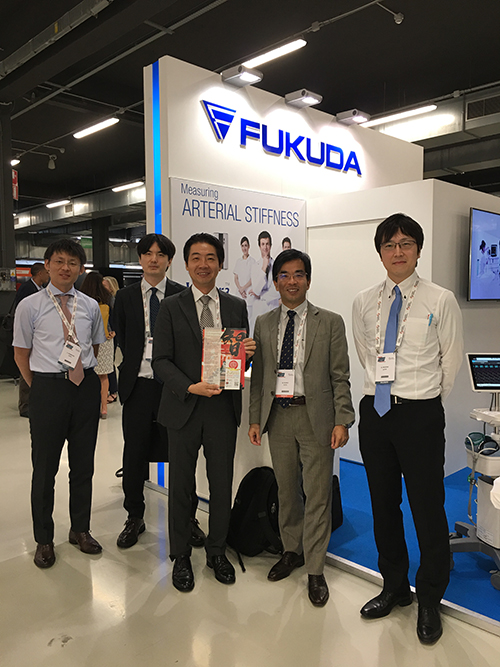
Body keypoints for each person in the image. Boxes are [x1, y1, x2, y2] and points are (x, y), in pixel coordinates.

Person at [352, 213, 463, 644]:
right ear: (379, 252)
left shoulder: (441, 299)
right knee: (383, 503)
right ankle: (394, 586)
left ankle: (430, 597)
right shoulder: (364, 301)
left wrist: (423, 400)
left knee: (427, 506)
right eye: (389, 245)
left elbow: (450, 362)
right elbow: (366, 354)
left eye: (405, 244)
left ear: (418, 250)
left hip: (419, 414)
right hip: (376, 413)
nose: (397, 252)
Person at [249, 248, 354, 607]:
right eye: (284, 275)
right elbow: (260, 377)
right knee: (286, 490)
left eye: (298, 274)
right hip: (278, 416)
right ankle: (291, 550)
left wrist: (342, 420)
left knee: (318, 494)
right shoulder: (264, 323)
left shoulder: (330, 322)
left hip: (316, 417)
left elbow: (340, 376)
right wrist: (255, 418)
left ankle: (315, 568)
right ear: (275, 281)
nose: (291, 281)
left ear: (308, 280)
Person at [152, 232, 255, 592]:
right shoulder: (171, 306)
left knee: (221, 483)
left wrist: (247, 355)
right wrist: (189, 386)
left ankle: (216, 551)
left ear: (220, 264)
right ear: (185, 264)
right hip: (183, 407)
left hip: (222, 409)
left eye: (210, 257)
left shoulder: (236, 306)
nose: (203, 264)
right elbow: (160, 361)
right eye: (196, 257)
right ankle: (180, 554)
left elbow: (236, 364)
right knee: (181, 486)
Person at [13, 239, 105, 569]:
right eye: (59, 261)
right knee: (45, 468)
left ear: (81, 269)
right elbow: (21, 353)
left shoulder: (90, 306)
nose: (66, 267)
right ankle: (44, 539)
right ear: (48, 265)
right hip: (48, 389)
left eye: (73, 262)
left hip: (84, 388)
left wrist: (92, 382)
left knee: (83, 465)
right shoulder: (30, 306)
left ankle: (80, 529)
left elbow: (97, 347)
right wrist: (41, 386)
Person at [113, 233, 206, 550]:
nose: (154, 259)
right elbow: (123, 338)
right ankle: (134, 516)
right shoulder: (125, 297)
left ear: (169, 260)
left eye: (160, 254)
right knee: (134, 454)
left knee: (181, 455)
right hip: (138, 386)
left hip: (173, 387)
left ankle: (188, 518)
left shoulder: (182, 295)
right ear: (140, 259)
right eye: (148, 253)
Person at [13, 263, 49, 417]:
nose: (48, 276)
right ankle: (25, 405)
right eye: (46, 272)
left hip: (39, 340)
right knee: (25, 368)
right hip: (28, 336)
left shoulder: (41, 289)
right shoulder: (27, 290)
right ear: (40, 273)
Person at [79, 272, 115, 419]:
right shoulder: (108, 297)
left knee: (87, 374)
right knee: (103, 376)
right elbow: (115, 316)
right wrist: (113, 330)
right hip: (106, 339)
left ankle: (88, 405)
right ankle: (104, 407)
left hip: (86, 339)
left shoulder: (81, 298)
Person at [248, 231, 280, 334]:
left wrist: (261, 296)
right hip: (258, 312)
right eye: (263, 244)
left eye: (267, 244)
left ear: (271, 245)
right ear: (259, 246)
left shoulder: (277, 266)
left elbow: (277, 292)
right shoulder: (255, 266)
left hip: (273, 310)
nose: (265, 247)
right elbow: (256, 289)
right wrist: (264, 267)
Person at [103, 275, 120, 403]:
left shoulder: (114, 300)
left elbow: (116, 319)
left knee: (109, 363)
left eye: (104, 285)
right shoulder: (105, 300)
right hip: (108, 334)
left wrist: (114, 331)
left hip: (112, 335)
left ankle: (113, 391)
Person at [233, 236, 256, 320]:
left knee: (248, 319)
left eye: (246, 245)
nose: (244, 248)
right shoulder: (238, 261)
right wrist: (240, 289)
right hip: (239, 294)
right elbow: (236, 278)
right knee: (238, 318)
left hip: (248, 295)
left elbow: (253, 279)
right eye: (242, 246)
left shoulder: (252, 261)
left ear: (249, 246)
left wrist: (243, 288)